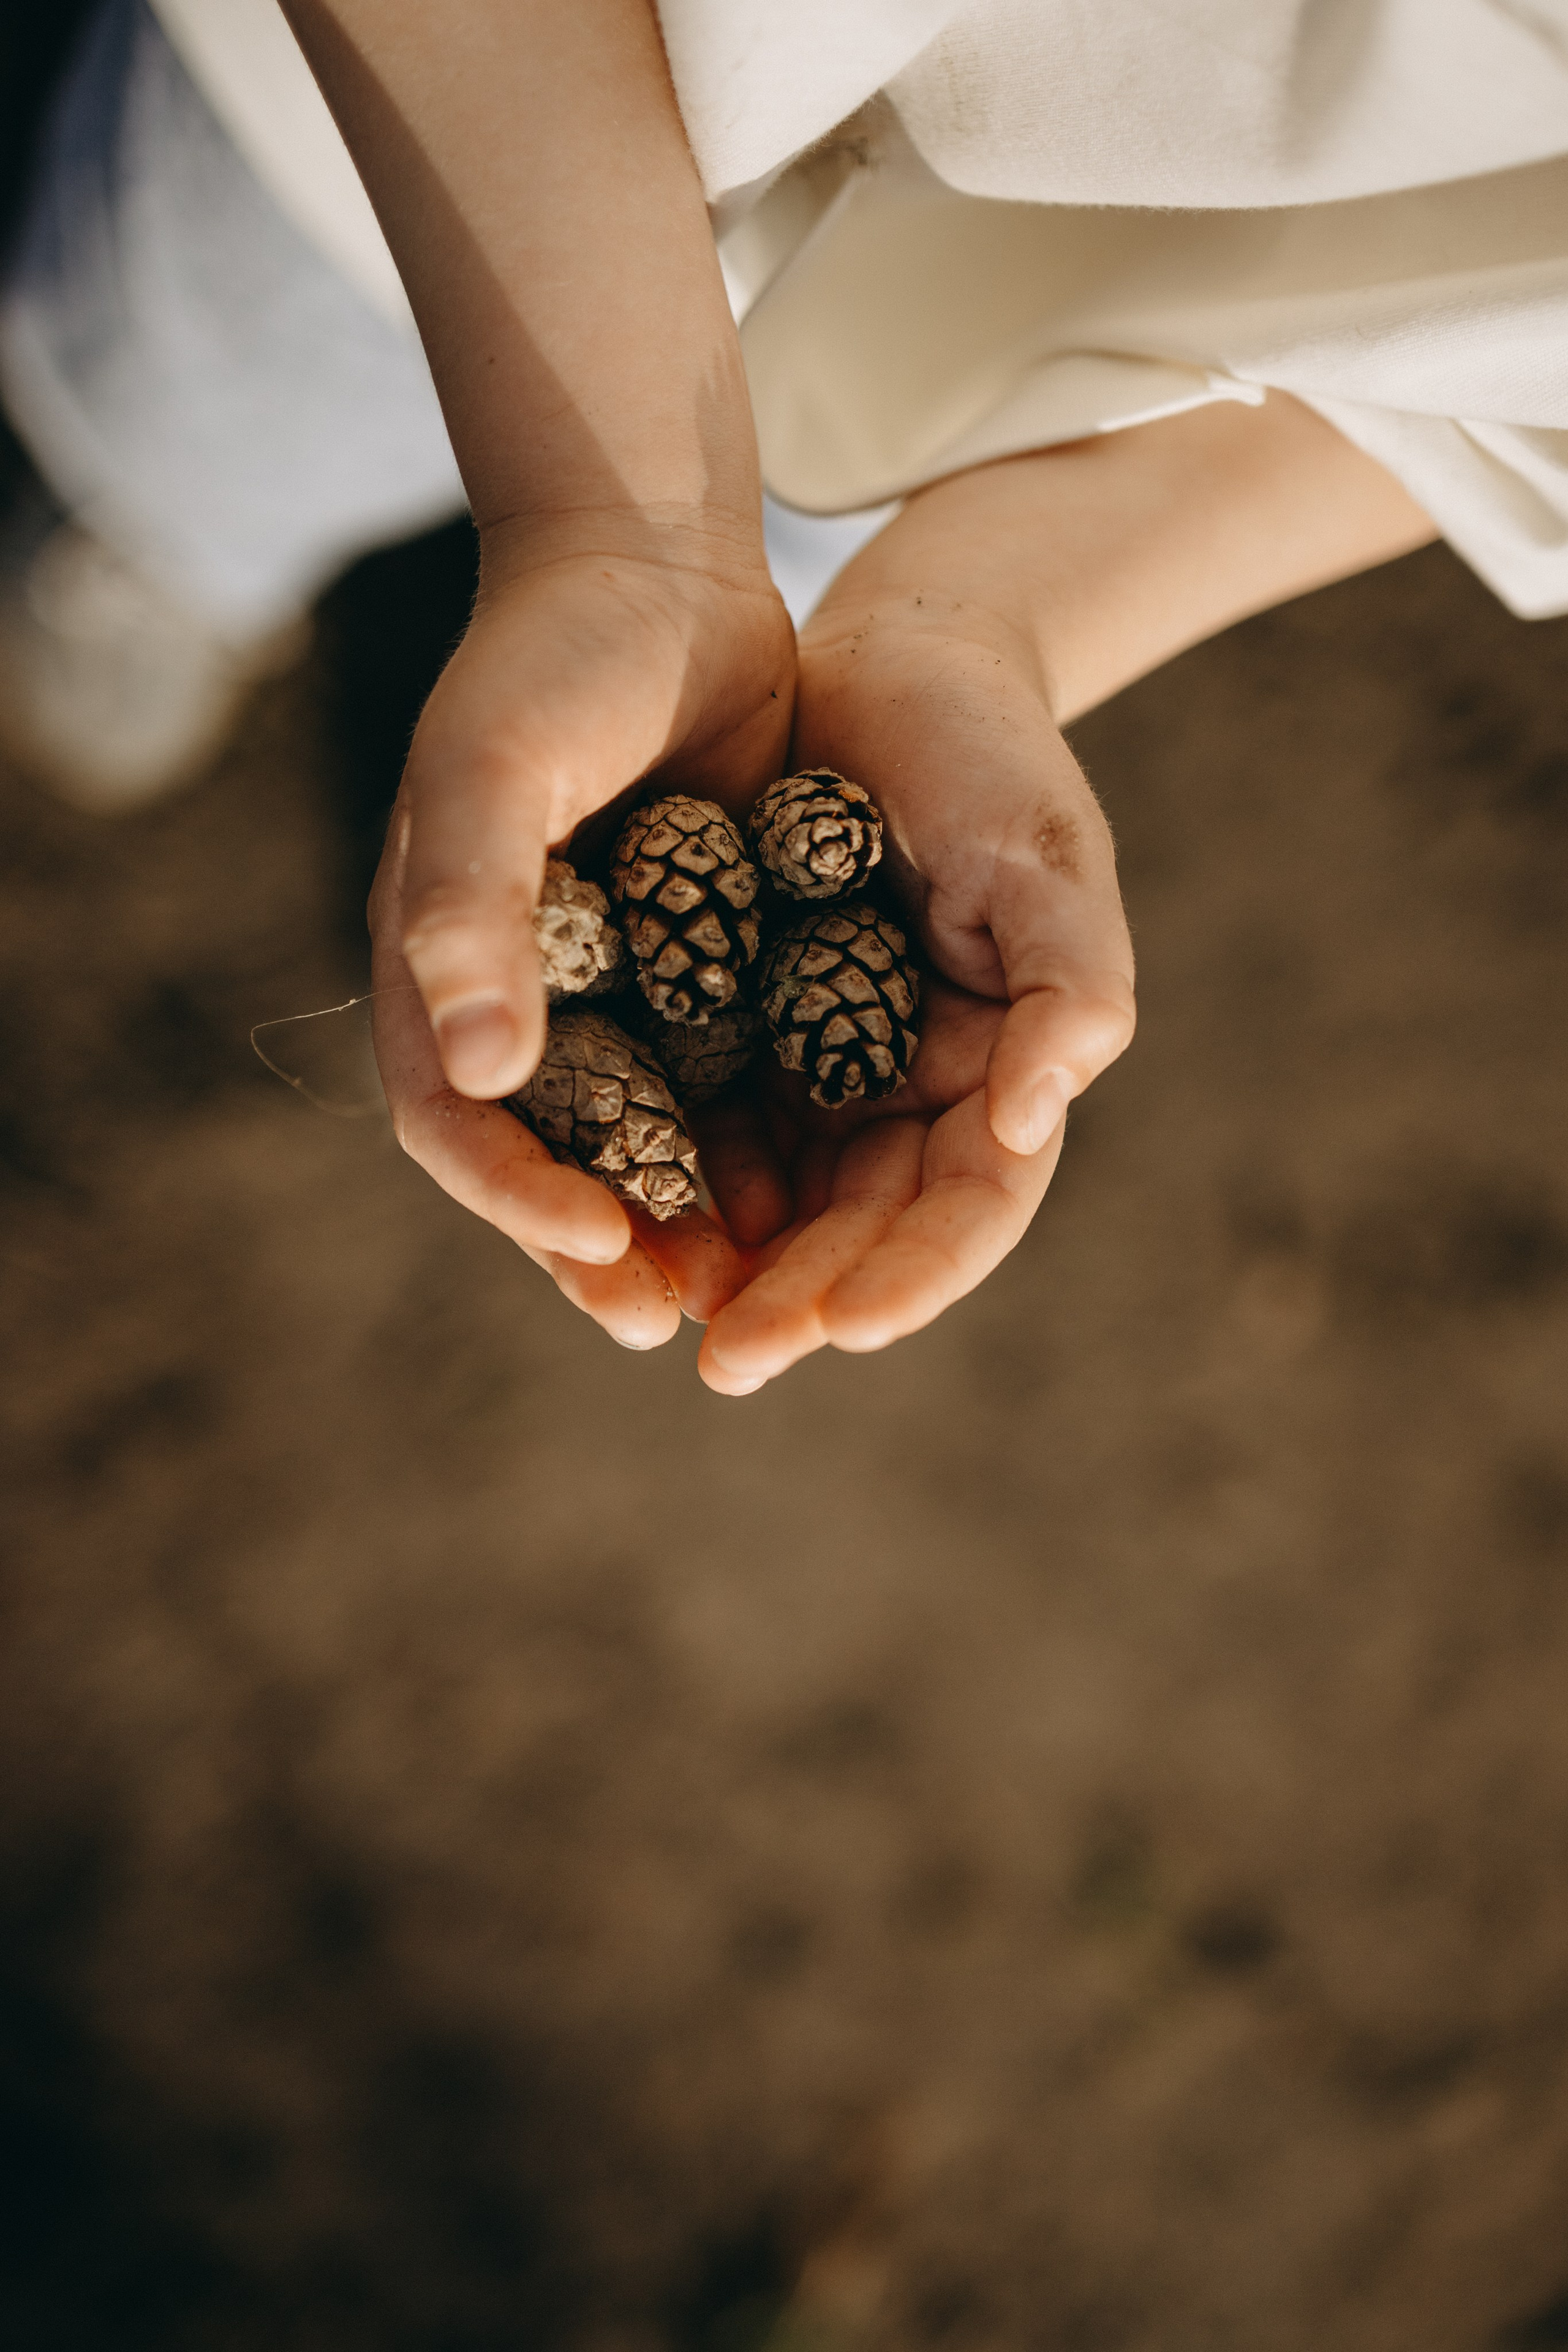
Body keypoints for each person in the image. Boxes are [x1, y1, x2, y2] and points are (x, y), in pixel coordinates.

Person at [2, 1, 1565, 1393]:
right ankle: (172, 532)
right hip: (418, 149)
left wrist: (964, 621)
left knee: (798, 544)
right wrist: (607, 515)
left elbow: (1501, 358)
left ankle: (275, 548)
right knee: (217, 389)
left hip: (968, 410)